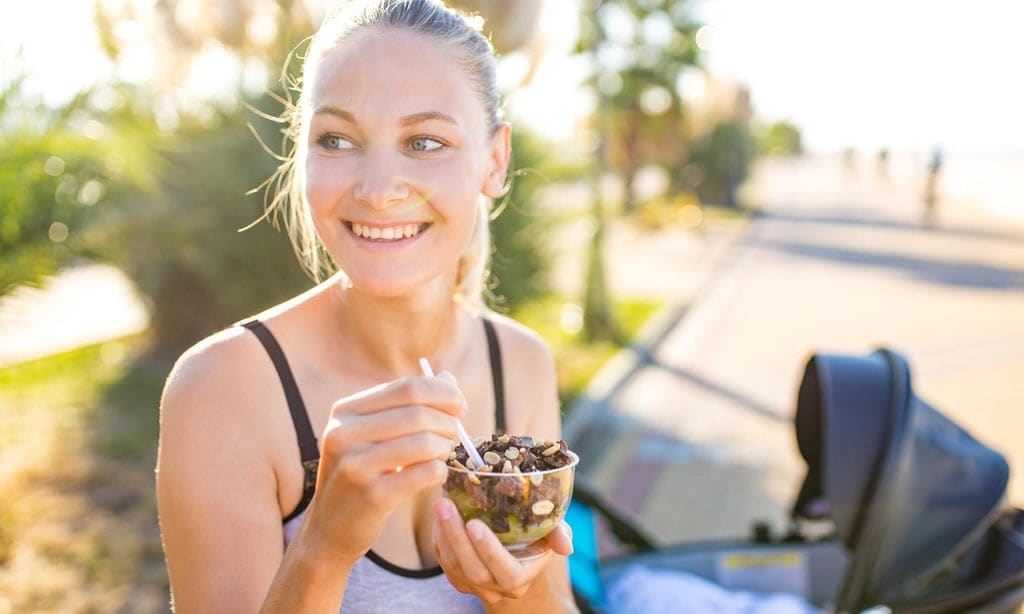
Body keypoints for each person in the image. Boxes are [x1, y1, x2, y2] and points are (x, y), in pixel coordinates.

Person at [155, 1, 576, 612]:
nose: (378, 191)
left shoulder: (521, 363)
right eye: (337, 139)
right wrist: (324, 543)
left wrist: (512, 593)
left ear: (494, 159)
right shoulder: (222, 389)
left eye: (424, 141)